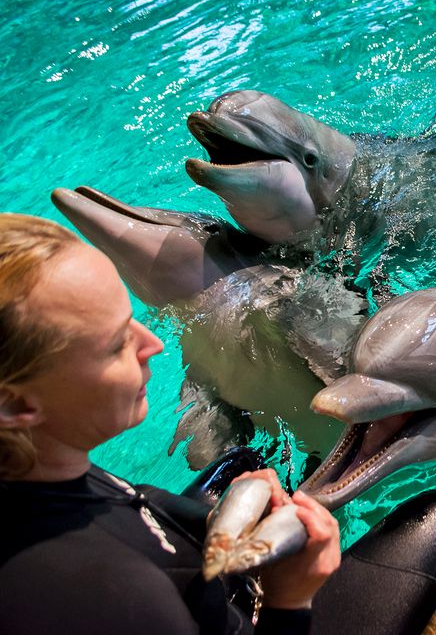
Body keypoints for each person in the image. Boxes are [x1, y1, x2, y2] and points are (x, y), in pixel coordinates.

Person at [0, 213, 340, 634]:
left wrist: (202, 518)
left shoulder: (36, 465)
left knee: (240, 462)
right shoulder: (124, 599)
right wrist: (290, 600)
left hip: (162, 557)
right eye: (115, 344)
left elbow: (111, 508)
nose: (153, 344)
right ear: (14, 405)